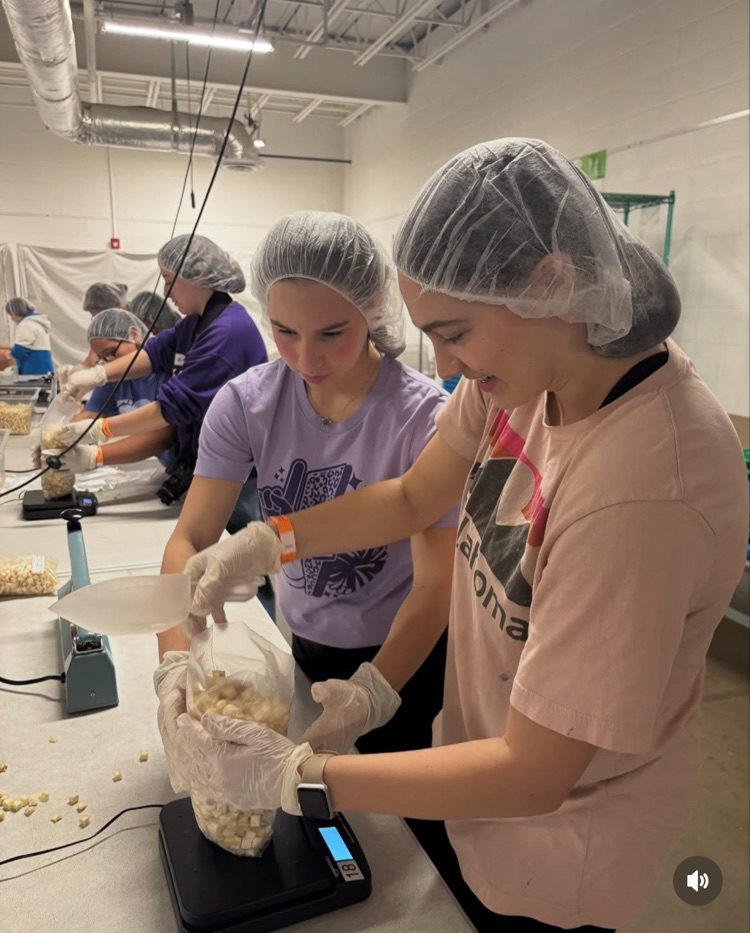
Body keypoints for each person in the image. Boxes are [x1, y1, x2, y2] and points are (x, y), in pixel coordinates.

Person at [158, 139, 748, 932]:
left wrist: (306, 774)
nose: (439, 360)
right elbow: (411, 496)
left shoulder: (641, 491)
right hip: (475, 762)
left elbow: (535, 773)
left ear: (550, 281)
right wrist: (268, 541)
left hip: (561, 832)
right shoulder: (532, 368)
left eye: (455, 331)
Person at [157, 211, 457, 760]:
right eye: (285, 332)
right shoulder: (248, 404)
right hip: (305, 644)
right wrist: (176, 662)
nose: (305, 358)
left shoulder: (424, 418)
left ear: (371, 312)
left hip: (406, 652)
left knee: (402, 823)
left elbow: (435, 584)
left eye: (332, 333)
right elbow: (191, 537)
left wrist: (376, 689)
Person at [58, 234, 274, 615]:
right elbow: (154, 353)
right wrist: (96, 376)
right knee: (214, 569)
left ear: (198, 277)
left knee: (246, 568)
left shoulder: (226, 331)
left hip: (242, 475)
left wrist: (101, 432)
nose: (166, 290)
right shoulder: (196, 323)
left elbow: (172, 408)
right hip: (212, 463)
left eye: (169, 278)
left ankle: (260, 634)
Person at [43, 308, 175, 472]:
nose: (109, 361)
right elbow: (91, 414)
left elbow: (163, 435)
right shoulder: (114, 376)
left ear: (134, 334)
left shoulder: (168, 372)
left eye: (111, 352)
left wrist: (95, 456)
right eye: (103, 357)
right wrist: (51, 440)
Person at [1, 297, 54, 375]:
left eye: (11, 315)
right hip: (45, 369)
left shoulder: (26, 325)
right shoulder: (38, 323)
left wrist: (6, 355)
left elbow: (21, 350)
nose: (12, 319)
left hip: (34, 372)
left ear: (16, 312)